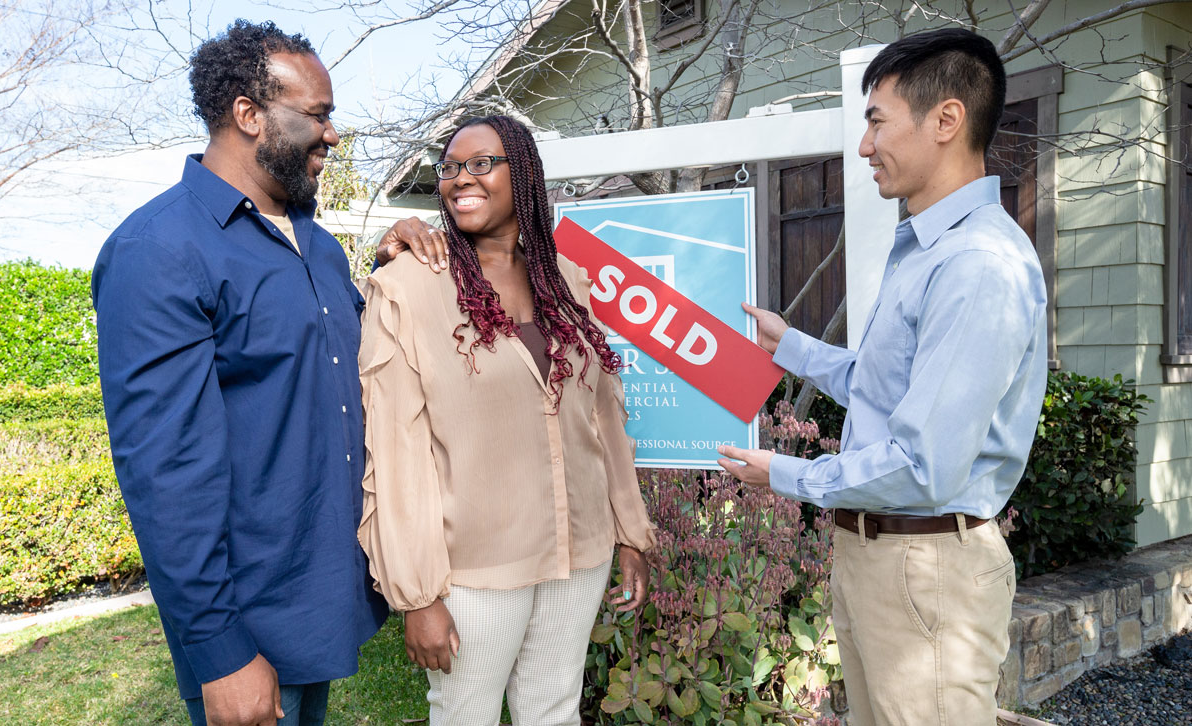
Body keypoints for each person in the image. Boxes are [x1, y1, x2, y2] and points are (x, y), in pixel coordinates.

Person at [92, 20, 443, 726]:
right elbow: (165, 474)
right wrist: (219, 650)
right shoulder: (157, 250)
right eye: (317, 114)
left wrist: (385, 269)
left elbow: (331, 362)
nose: (334, 134)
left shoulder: (311, 242)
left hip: (318, 598)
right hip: (248, 624)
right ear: (248, 115)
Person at [717, 28, 1047, 726]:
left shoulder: (975, 264)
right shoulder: (931, 249)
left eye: (874, 121)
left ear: (945, 120)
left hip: (923, 569)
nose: (864, 146)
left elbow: (922, 465)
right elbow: (889, 387)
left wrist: (783, 474)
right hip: (885, 560)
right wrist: (792, 347)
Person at [356, 115, 656, 726]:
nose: (460, 179)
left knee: (555, 712)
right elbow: (397, 455)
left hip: (579, 552)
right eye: (449, 168)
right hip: (475, 571)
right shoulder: (408, 288)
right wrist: (418, 597)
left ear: (523, 174)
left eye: (480, 163)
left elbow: (603, 416)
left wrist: (630, 531)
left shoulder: (566, 281)